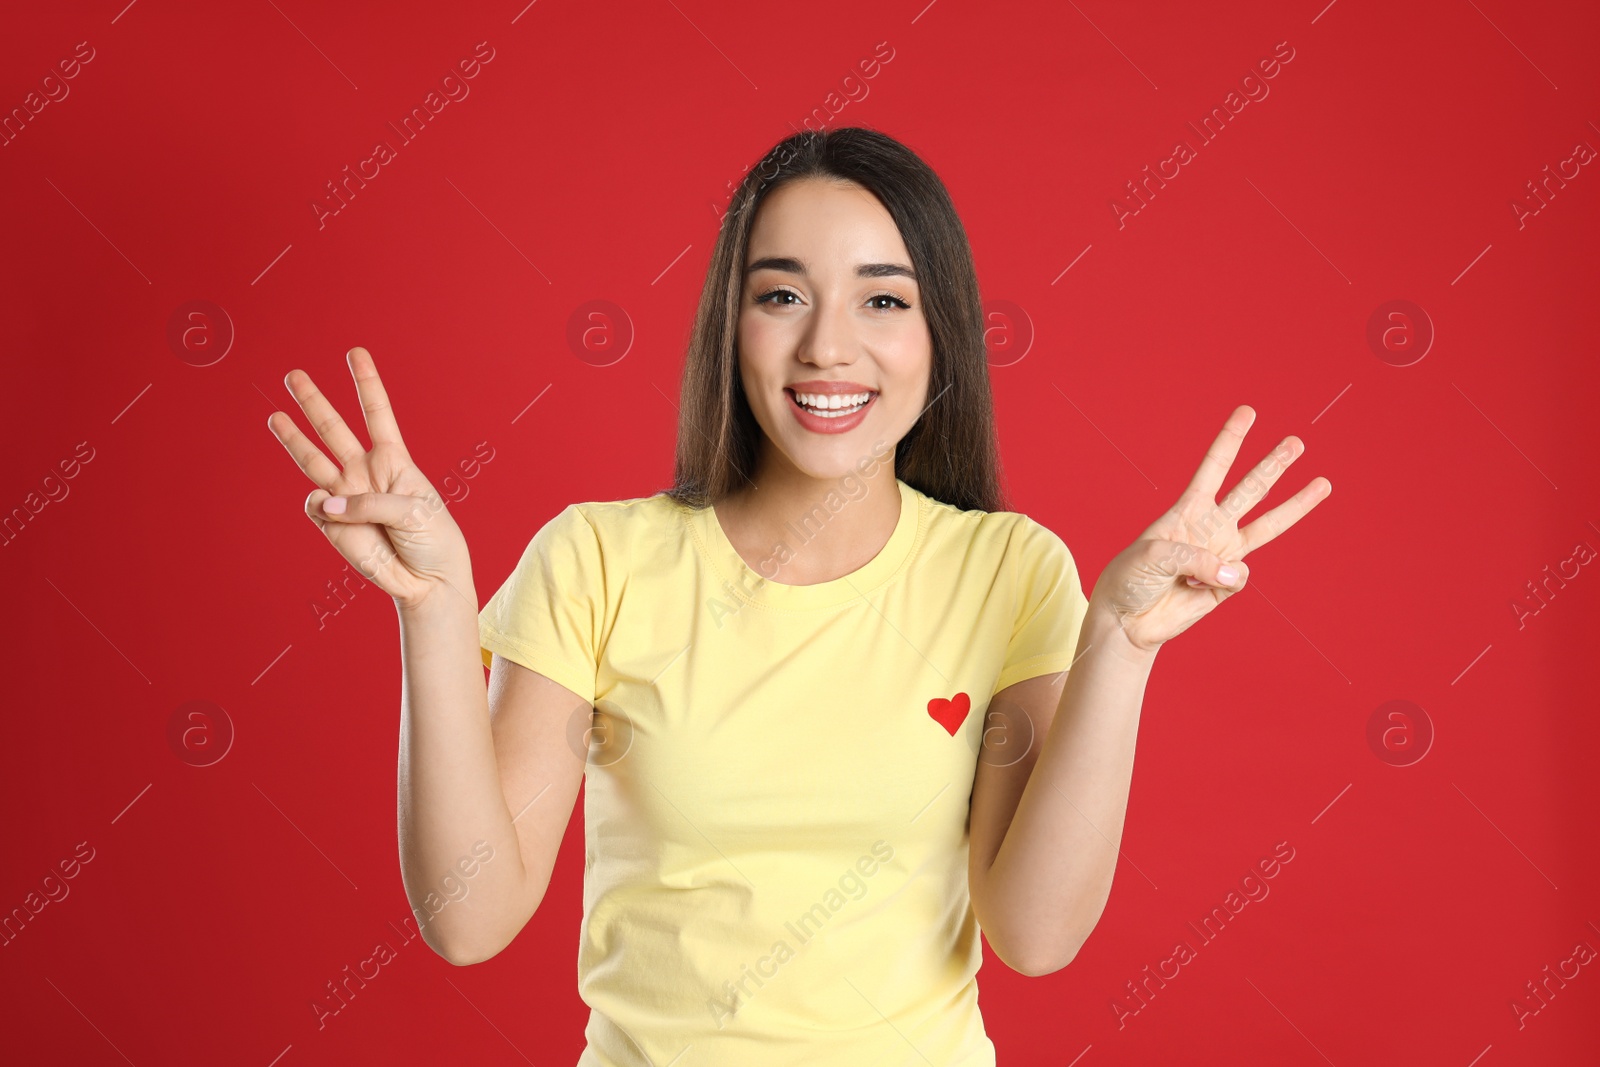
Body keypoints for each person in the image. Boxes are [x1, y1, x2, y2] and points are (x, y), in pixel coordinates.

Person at [266, 126, 1331, 1066]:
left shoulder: (1008, 570)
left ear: (938, 335)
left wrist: (1121, 648)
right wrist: (437, 608)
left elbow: (1036, 934)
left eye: (882, 298)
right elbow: (470, 917)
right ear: (730, 327)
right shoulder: (596, 557)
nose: (828, 345)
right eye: (782, 295)